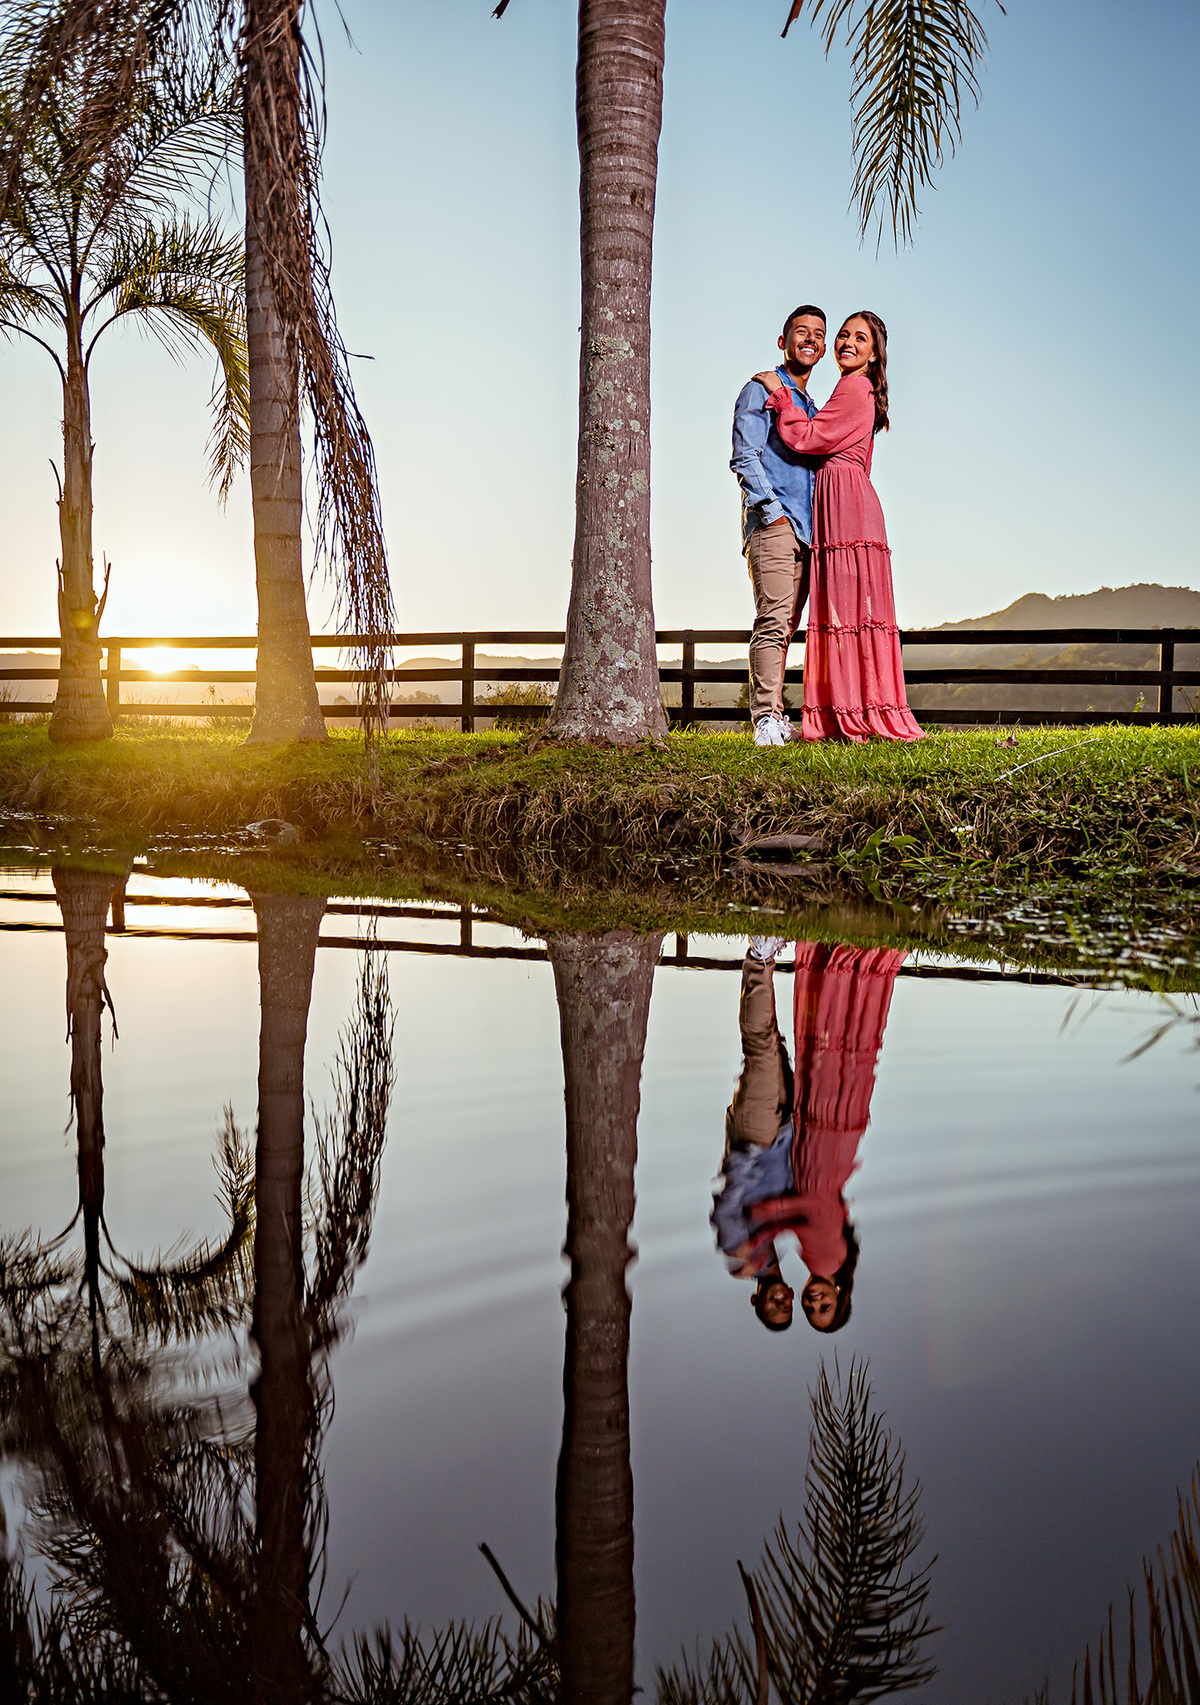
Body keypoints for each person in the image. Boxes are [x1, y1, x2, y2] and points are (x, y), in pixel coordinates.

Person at [712, 934, 905, 1333]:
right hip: (793, 1136)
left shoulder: (748, 1259)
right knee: (769, 1047)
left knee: (766, 1048)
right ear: (838, 1290)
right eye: (823, 1305)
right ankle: (763, 958)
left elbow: (728, 1205)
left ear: (758, 1301)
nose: (805, 1301)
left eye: (802, 1308)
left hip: (763, 1139)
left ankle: (761, 957)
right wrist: (768, 1219)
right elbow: (806, 1211)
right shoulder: (819, 1260)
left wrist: (745, 1160)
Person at [751, 310, 923, 742]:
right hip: (844, 496)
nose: (847, 342)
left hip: (844, 501)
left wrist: (781, 396)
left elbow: (808, 438)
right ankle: (849, 706)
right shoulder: (853, 388)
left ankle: (855, 710)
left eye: (859, 338)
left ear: (873, 353)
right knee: (847, 612)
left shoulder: (854, 386)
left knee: (847, 611)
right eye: (844, 335)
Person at [731, 305, 827, 747]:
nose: (810, 339)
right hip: (774, 523)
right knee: (772, 620)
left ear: (822, 348)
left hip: (808, 532)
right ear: (782, 341)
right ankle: (765, 719)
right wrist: (774, 512)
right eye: (801, 332)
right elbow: (744, 455)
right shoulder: (760, 391)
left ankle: (778, 713)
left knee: (788, 625)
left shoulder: (809, 406)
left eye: (818, 334)